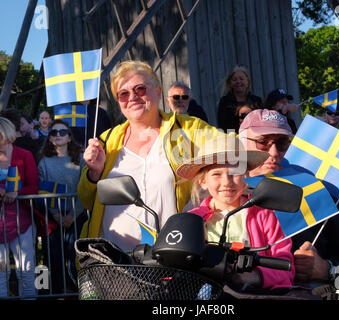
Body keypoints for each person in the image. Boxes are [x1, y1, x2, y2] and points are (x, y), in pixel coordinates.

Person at [78, 60, 221, 253]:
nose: (133, 97)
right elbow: (87, 201)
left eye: (140, 89)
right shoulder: (106, 140)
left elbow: (233, 147)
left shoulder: (188, 129)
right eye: (123, 94)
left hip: (171, 257)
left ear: (158, 91)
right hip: (114, 262)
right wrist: (94, 174)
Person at [239, 109, 339, 293]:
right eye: (263, 142)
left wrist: (328, 270)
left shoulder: (320, 194)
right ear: (241, 144)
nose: (273, 152)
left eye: (281, 144)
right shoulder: (219, 191)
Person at [175, 135, 294, 291]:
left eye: (235, 172)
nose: (227, 182)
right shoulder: (191, 219)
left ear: (245, 176)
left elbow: (287, 268)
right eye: (216, 174)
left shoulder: (265, 215)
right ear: (203, 182)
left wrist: (256, 276)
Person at [37, 119, 86, 293]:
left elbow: (85, 188)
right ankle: (57, 292)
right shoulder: (43, 162)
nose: (58, 135)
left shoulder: (81, 159)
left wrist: (73, 215)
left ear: (69, 137)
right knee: (54, 257)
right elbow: (43, 189)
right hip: (53, 216)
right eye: (54, 133)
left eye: (62, 132)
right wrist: (56, 214)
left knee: (77, 256)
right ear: (50, 138)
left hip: (77, 214)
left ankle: (80, 292)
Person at [0, 117, 39, 298]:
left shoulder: (24, 155)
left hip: (21, 222)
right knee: (1, 274)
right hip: (0, 225)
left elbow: (34, 186)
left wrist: (18, 193)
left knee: (26, 272)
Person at [217, 65, 262, 132]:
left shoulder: (256, 101)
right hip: (233, 139)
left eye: (241, 79)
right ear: (230, 83)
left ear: (247, 81)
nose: (238, 82)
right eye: (234, 79)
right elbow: (223, 126)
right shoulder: (224, 102)